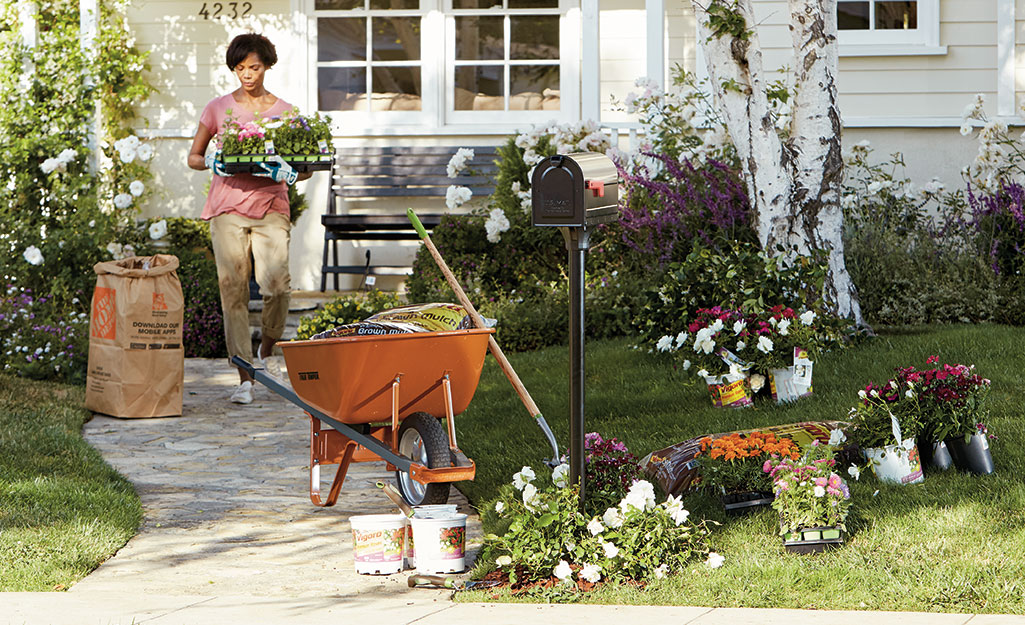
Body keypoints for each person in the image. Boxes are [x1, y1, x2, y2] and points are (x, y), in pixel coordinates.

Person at [187, 33, 312, 404]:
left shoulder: (285, 112)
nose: (247, 74)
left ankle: (267, 350)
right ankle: (245, 375)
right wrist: (210, 160)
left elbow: (304, 168)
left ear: (267, 66)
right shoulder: (217, 109)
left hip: (271, 205)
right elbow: (194, 156)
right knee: (233, 289)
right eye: (240, 68)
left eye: (254, 67)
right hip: (226, 207)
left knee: (276, 285)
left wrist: (289, 172)